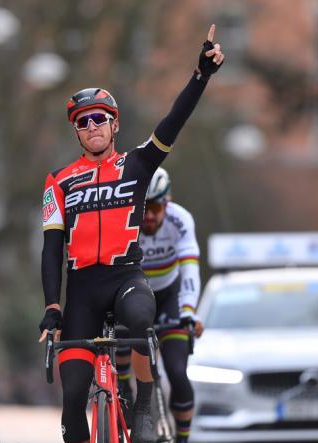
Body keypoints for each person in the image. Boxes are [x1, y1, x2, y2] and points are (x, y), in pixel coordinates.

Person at [37, 25, 224, 443]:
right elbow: (51, 249)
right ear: (77, 132)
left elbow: (173, 122)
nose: (92, 126)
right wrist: (52, 305)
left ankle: (142, 401)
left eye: (99, 118)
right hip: (82, 289)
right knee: (71, 400)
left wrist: (201, 76)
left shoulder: (137, 165)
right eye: (83, 122)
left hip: (125, 278)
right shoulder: (58, 182)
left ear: (114, 124)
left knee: (141, 319)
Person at [115, 167, 203, 443]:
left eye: (155, 207)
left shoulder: (180, 220)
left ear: (168, 201)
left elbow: (190, 268)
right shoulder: (124, 221)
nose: (149, 215)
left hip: (169, 296)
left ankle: (183, 439)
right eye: (143, 207)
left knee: (177, 373)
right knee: (120, 341)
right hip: (133, 292)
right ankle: (123, 388)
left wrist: (188, 311)